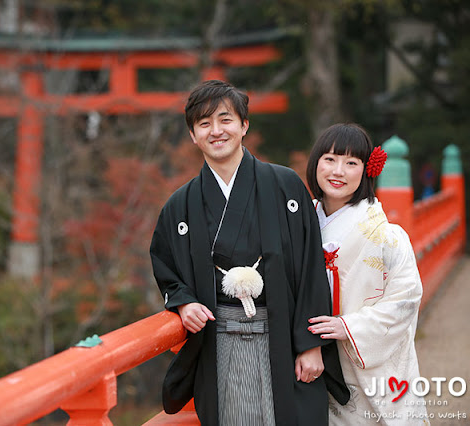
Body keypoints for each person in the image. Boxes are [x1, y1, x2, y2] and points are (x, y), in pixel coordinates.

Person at [149, 80, 348, 426]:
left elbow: (310, 267)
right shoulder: (179, 206)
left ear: (244, 126)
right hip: (220, 339)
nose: (216, 131)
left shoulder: (286, 186)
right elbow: (166, 268)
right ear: (193, 135)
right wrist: (183, 302)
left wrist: (311, 343)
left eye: (225, 120)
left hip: (285, 336)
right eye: (204, 124)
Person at [306, 123, 429, 425]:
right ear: (316, 163)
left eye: (351, 163)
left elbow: (406, 299)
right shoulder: (299, 222)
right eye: (330, 159)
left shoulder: (387, 236)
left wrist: (350, 327)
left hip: (363, 358)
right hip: (310, 356)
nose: (338, 171)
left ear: (366, 170)